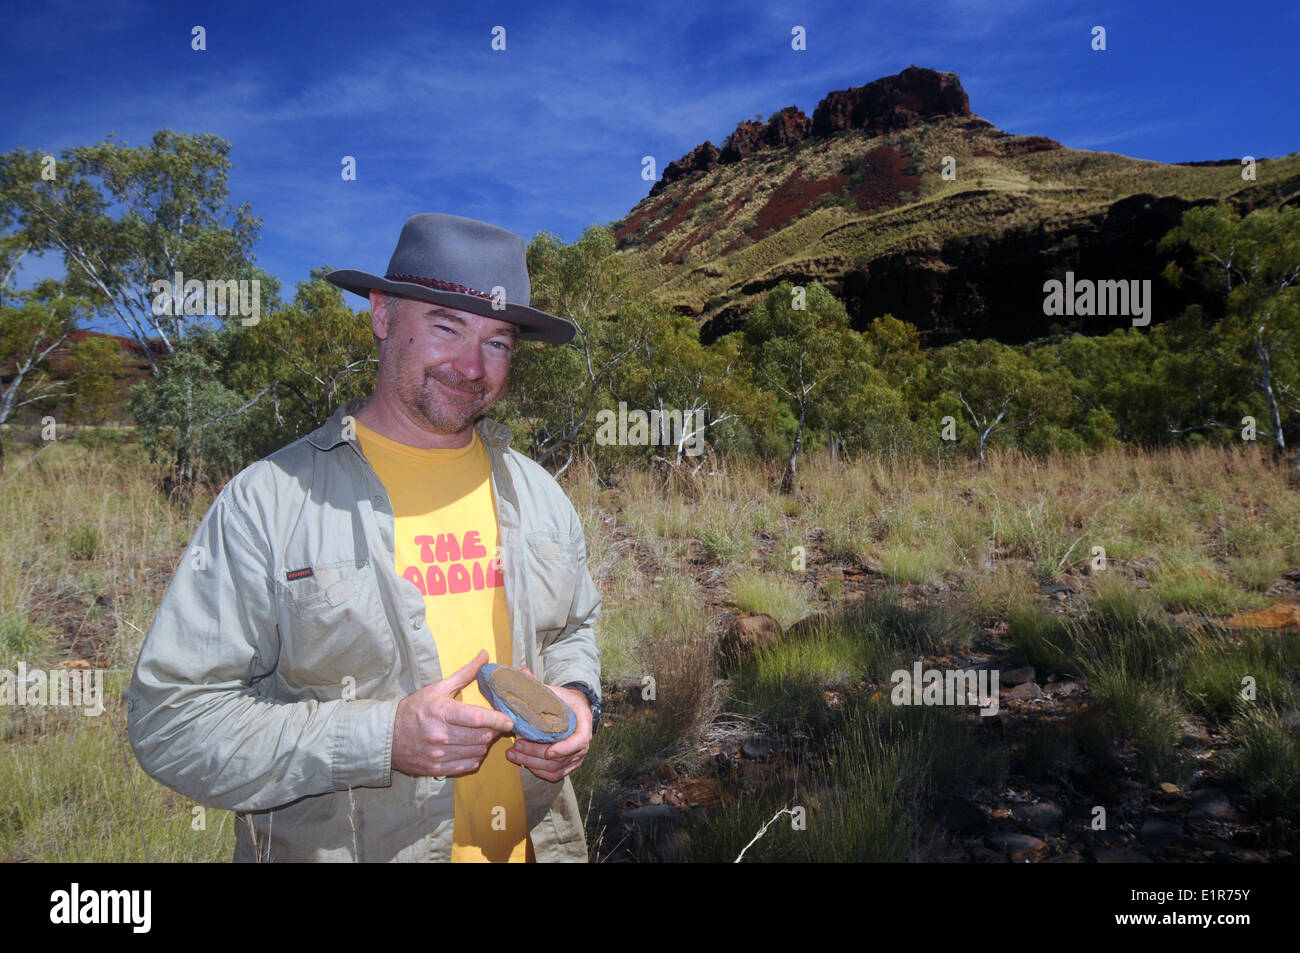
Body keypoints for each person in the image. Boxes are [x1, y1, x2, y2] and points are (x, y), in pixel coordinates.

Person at [127, 212, 602, 862]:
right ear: (382, 315)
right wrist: (381, 738)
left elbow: (576, 628)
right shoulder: (268, 501)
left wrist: (577, 701)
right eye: (446, 326)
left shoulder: (540, 494)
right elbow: (172, 721)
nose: (472, 366)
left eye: (498, 343)